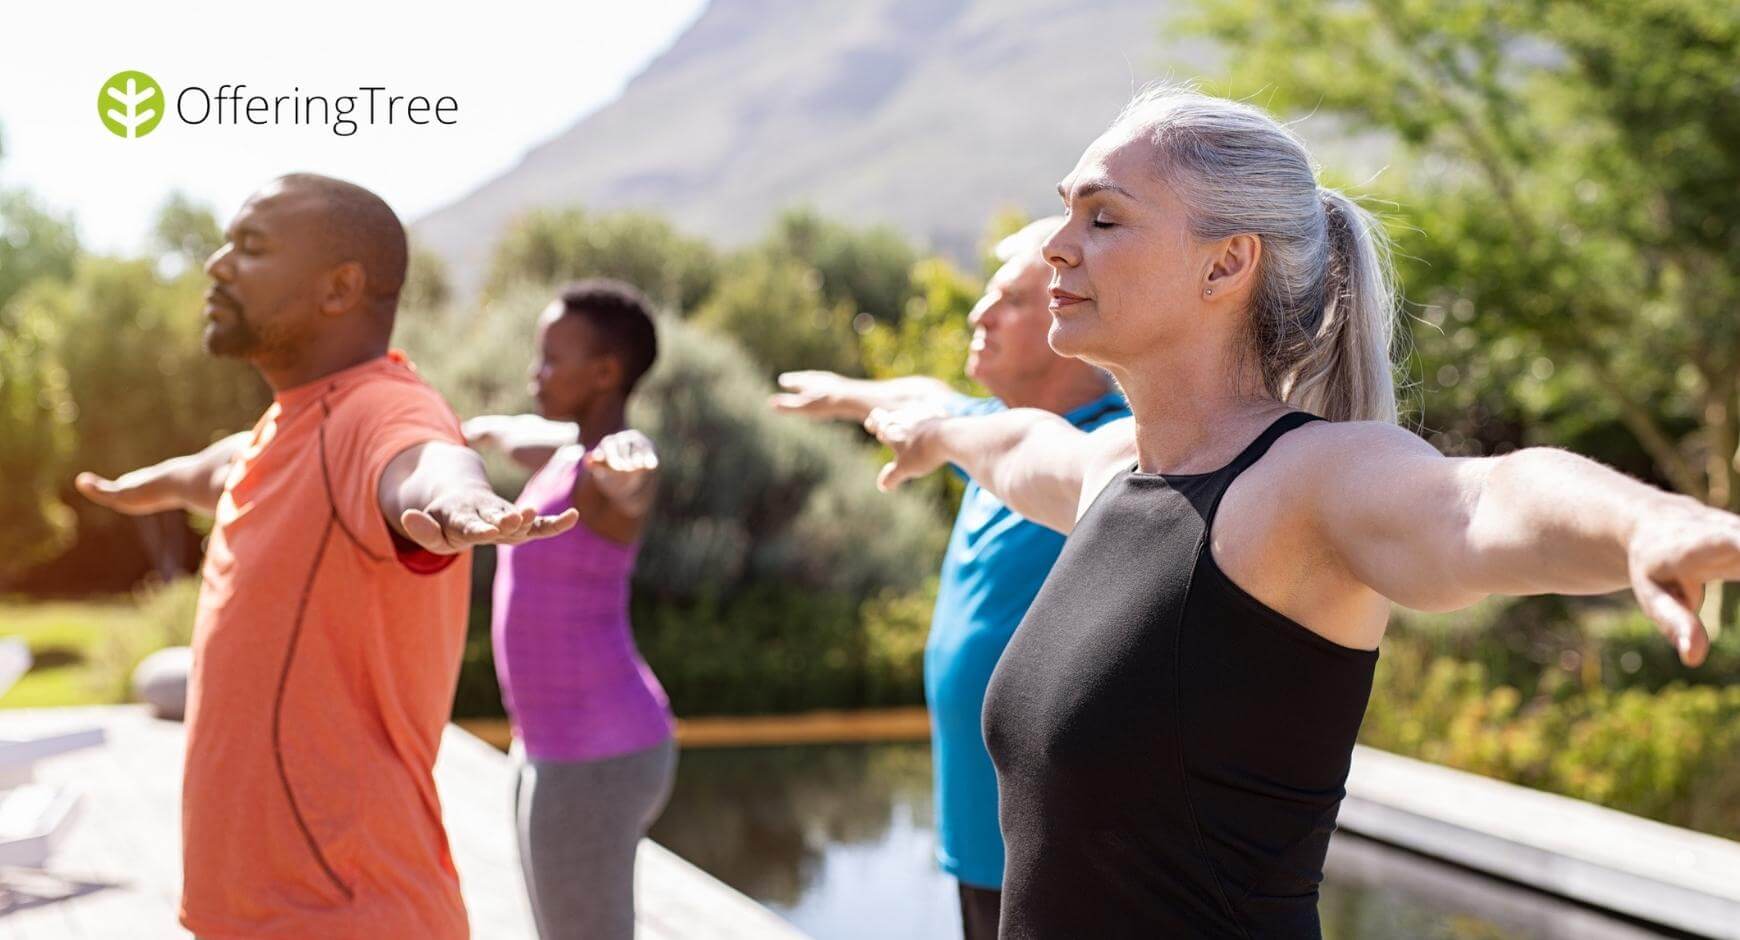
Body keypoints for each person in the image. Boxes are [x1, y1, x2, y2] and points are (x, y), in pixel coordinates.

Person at [862, 87, 1735, 939]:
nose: (1055, 247)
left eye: (1103, 218)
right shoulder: (1111, 470)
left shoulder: (1303, 483)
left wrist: (1642, 523)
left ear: (1226, 262)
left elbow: (1484, 499)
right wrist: (933, 430)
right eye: (1067, 213)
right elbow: (1010, 446)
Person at [74, 174, 575, 940]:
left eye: (250, 247)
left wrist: (460, 503)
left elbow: (424, 458)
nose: (216, 264)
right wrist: (140, 487)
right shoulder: (287, 426)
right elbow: (215, 467)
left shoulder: (381, 410)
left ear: (340, 287)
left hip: (350, 915)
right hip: (251, 915)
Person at [771, 220, 1127, 940]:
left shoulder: (1112, 451)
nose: (977, 315)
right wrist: (843, 392)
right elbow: (921, 394)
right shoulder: (982, 428)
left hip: (1067, 854)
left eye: (1009, 301)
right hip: (979, 842)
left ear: (1074, 324)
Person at [463, 279, 674, 940]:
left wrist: (628, 470)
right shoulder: (564, 453)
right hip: (551, 743)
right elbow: (522, 433)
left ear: (606, 372)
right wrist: (473, 431)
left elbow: (630, 479)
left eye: (553, 358)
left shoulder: (607, 470)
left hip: (597, 751)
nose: (536, 371)